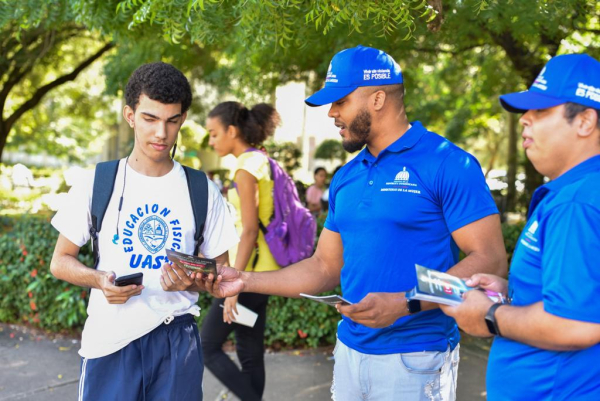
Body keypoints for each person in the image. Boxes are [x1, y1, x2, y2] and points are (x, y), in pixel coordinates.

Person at [205, 45, 507, 400]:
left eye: (341, 101)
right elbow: (323, 266)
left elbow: (490, 260)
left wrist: (405, 301)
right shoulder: (346, 176)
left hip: (419, 358)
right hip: (348, 352)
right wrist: (244, 279)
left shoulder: (449, 163)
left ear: (378, 98)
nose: (332, 113)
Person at [49, 62, 238, 401]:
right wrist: (99, 280)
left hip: (177, 340)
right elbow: (60, 261)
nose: (161, 134)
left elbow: (221, 279)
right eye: (150, 119)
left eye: (172, 120)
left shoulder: (203, 190)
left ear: (182, 119)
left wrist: (192, 279)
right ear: (130, 115)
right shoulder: (96, 182)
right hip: (111, 339)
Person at [440, 54, 600, 400]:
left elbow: (578, 324)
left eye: (541, 111)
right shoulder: (582, 191)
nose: (525, 119)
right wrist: (514, 292)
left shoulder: (577, 202)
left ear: (585, 121)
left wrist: (489, 315)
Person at [202, 101, 281, 401]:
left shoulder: (245, 168)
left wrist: (234, 285)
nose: (211, 140)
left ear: (231, 131)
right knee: (249, 351)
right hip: (263, 271)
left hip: (248, 273)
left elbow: (249, 229)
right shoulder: (260, 160)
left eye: (213, 133)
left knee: (207, 346)